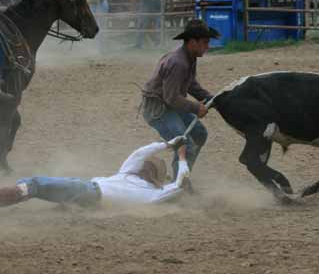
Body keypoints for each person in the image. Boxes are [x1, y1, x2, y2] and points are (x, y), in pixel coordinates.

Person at [0, 136, 191, 208]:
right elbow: (141, 153)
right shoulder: (132, 177)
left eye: (150, 166)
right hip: (86, 192)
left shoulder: (155, 194)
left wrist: (182, 157)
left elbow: (181, 185)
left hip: (88, 190)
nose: (145, 166)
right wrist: (167, 144)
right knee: (29, 184)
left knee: (34, 184)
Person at [141, 19, 219, 182]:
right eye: (205, 42)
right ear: (192, 41)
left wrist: (211, 99)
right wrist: (196, 107)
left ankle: (181, 177)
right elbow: (171, 97)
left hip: (170, 105)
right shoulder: (178, 63)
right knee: (186, 144)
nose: (208, 46)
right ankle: (180, 183)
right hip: (159, 110)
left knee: (199, 134)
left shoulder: (189, 57)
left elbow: (190, 84)